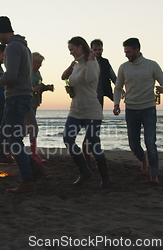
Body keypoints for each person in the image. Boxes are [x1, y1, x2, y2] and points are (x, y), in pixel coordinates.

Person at [0, 16, 46, 193]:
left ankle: (27, 181)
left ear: (2, 31)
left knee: (14, 141)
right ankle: (34, 167)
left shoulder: (12, 46)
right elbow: (18, 74)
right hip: (21, 96)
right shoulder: (24, 46)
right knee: (7, 137)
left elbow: (12, 76)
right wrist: (2, 76)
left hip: (16, 98)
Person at [113, 38, 163, 184]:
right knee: (133, 145)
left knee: (150, 143)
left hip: (148, 109)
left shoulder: (151, 65)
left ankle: (154, 175)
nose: (126, 55)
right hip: (131, 110)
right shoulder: (123, 67)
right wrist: (116, 104)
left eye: (129, 51)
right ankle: (143, 160)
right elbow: (118, 87)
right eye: (125, 52)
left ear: (137, 50)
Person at [62, 36, 112, 189]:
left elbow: (90, 79)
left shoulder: (93, 63)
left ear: (80, 47)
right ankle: (84, 171)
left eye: (72, 49)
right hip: (75, 110)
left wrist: (91, 59)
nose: (70, 52)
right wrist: (71, 89)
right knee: (68, 139)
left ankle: (105, 178)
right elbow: (72, 80)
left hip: (91, 110)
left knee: (93, 144)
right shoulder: (76, 65)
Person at [82, 39, 118, 168]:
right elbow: (70, 75)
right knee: (91, 130)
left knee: (95, 130)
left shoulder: (104, 62)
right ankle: (89, 158)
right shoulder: (85, 61)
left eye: (100, 49)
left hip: (99, 99)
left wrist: (120, 90)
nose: (98, 52)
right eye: (95, 49)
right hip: (87, 99)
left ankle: (95, 157)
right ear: (91, 49)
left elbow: (114, 78)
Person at [27, 52, 53, 163]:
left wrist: (46, 87)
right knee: (32, 128)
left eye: (41, 63)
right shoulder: (26, 73)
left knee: (26, 128)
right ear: (32, 62)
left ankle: (9, 149)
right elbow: (22, 87)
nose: (40, 65)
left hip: (35, 103)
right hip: (27, 103)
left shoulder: (37, 73)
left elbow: (39, 86)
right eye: (38, 63)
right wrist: (32, 90)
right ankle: (34, 154)